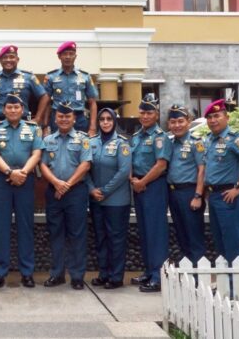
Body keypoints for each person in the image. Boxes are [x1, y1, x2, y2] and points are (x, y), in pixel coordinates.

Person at [0, 93, 43, 289]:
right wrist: (10, 172)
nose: (12, 110)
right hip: (2, 181)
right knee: (1, 228)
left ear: (23, 109)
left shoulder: (33, 129)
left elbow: (37, 153)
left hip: (25, 182)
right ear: (4, 110)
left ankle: (27, 272)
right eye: (9, 107)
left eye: (16, 107)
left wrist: (23, 172)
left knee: (25, 228)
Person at [39, 103, 92, 290]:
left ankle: (77, 276)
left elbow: (85, 164)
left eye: (67, 116)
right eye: (60, 116)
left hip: (76, 192)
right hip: (54, 192)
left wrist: (67, 184)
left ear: (74, 119)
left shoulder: (83, 140)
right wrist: (56, 183)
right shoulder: (47, 140)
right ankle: (57, 274)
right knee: (55, 234)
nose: (64, 119)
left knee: (77, 234)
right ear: (55, 118)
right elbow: (43, 165)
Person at [201, 99, 239, 263]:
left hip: (228, 196)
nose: (213, 120)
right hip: (213, 197)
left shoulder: (235, 139)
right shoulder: (209, 140)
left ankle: (238, 288)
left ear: (226, 117)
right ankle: (225, 286)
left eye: (217, 116)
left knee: (233, 243)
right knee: (220, 243)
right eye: (209, 117)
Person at [129, 95, 170, 292]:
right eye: (142, 112)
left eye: (149, 113)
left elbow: (161, 165)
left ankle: (158, 276)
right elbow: (130, 160)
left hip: (153, 186)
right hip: (138, 186)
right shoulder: (137, 137)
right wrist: (133, 181)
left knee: (156, 232)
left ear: (156, 115)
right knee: (144, 231)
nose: (145, 116)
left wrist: (142, 182)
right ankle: (148, 271)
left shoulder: (160, 137)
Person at [87, 107, 131, 289]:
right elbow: (85, 168)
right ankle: (103, 273)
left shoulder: (122, 143)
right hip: (96, 200)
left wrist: (104, 191)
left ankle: (116, 276)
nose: (105, 122)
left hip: (116, 201)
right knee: (101, 238)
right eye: (102, 119)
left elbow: (123, 172)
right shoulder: (91, 143)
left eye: (109, 119)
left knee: (116, 238)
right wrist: (91, 189)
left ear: (114, 122)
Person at [165, 104, 207, 264]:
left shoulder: (196, 143)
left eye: (180, 121)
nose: (177, 125)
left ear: (189, 122)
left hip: (190, 192)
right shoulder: (169, 143)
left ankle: (198, 274)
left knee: (194, 234)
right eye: (173, 122)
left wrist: (198, 195)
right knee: (181, 233)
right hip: (173, 193)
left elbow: (202, 170)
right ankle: (188, 269)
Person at [0, 44, 50, 126]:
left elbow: (44, 97)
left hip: (23, 123)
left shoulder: (29, 77)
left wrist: (38, 118)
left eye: (12, 57)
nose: (8, 60)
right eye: (5, 57)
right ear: (0, 60)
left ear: (17, 59)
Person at [43, 42, 99, 135]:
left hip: (79, 118)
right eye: (65, 54)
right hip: (58, 117)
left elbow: (92, 102)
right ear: (59, 56)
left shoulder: (85, 76)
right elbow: (46, 102)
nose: (68, 57)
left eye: (71, 54)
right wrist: (45, 126)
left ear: (75, 56)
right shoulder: (51, 76)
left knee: (80, 147)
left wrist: (93, 127)